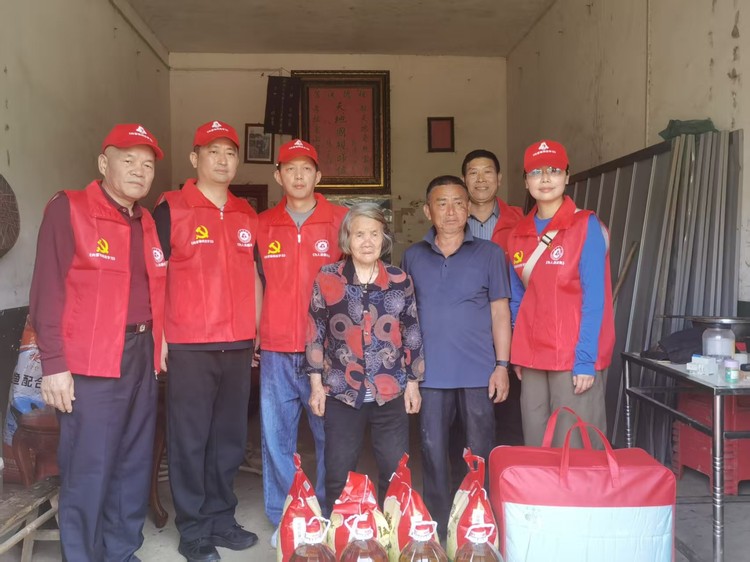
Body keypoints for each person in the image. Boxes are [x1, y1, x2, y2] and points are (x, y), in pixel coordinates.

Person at [29, 123, 167, 561]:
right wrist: (54, 364)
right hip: (90, 360)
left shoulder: (146, 221)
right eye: (129, 161)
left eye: (148, 165)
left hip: (142, 354)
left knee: (132, 461)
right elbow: (47, 291)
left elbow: (153, 288)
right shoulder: (69, 208)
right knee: (89, 467)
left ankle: (121, 551)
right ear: (104, 163)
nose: (140, 171)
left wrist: (160, 342)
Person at [153, 120, 261, 562]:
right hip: (189, 343)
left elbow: (255, 275)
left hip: (237, 343)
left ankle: (221, 518)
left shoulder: (246, 213)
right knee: (190, 440)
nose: (222, 160)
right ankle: (193, 529)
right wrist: (160, 337)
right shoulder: (171, 208)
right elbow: (154, 275)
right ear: (195, 158)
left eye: (230, 153)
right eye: (212, 151)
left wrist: (255, 331)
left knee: (229, 439)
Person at [401, 175, 511, 537]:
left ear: (469, 209)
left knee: (479, 452)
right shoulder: (413, 256)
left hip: (479, 372)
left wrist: (502, 365)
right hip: (430, 373)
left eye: (459, 203)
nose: (451, 211)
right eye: (442, 203)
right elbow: (405, 317)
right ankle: (438, 526)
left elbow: (500, 312)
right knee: (432, 450)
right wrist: (410, 375)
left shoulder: (490, 254)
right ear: (427, 210)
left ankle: (478, 522)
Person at [256, 139, 348, 544]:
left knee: (331, 436)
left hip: (326, 352)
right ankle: (284, 514)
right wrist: (257, 332)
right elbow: (253, 281)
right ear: (278, 175)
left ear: (318, 175)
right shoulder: (262, 224)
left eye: (306, 168)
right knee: (277, 436)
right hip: (276, 347)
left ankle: (326, 512)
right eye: (290, 168)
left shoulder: (340, 220)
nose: (298, 176)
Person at [306, 203, 424, 510]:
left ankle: (390, 531)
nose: (367, 241)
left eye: (374, 233)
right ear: (347, 238)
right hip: (342, 391)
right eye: (359, 234)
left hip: (390, 391)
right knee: (338, 473)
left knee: (395, 473)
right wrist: (316, 386)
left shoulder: (400, 279)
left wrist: (413, 383)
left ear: (384, 238)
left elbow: (411, 331)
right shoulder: (328, 277)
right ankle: (339, 530)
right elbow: (315, 332)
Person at [506, 140, 615, 448]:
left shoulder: (585, 226)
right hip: (533, 356)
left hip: (572, 355)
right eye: (535, 172)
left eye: (553, 170)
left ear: (567, 176)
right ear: (526, 181)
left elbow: (595, 299)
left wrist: (586, 360)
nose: (545, 179)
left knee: (575, 444)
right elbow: (518, 299)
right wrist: (519, 352)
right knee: (537, 442)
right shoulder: (518, 234)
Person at [462, 149, 525, 447]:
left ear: (499, 178)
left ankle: (506, 470)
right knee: (467, 417)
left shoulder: (521, 222)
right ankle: (470, 473)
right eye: (473, 173)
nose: (481, 179)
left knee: (511, 411)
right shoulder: (451, 220)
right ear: (464, 179)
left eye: (487, 172)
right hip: (468, 331)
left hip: (511, 325)